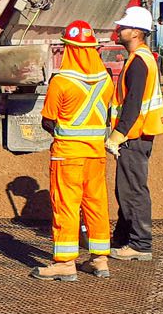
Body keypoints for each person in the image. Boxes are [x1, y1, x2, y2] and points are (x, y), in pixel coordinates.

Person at [32, 20, 114, 281]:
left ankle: (65, 263)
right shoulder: (106, 80)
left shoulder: (61, 81)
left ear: (69, 48)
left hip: (68, 155)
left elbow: (48, 121)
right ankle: (100, 260)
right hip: (96, 154)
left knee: (67, 205)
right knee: (96, 204)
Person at [105, 4, 163, 262]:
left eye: (124, 26)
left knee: (133, 190)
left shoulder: (140, 62)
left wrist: (117, 135)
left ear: (136, 32)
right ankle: (122, 238)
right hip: (138, 134)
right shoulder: (140, 59)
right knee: (126, 189)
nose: (119, 29)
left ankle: (140, 244)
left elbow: (133, 103)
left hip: (135, 135)